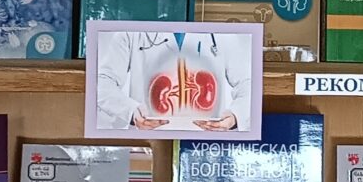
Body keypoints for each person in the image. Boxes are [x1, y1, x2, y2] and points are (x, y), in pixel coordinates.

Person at [95, 29, 253, 132]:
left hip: (205, 141)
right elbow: (102, 83)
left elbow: (249, 84)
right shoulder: (129, 33)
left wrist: (235, 115)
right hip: (149, 138)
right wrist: (130, 111)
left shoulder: (223, 35)